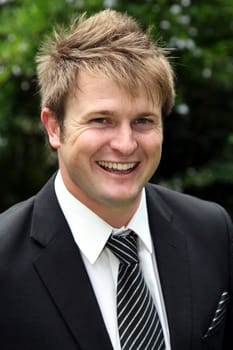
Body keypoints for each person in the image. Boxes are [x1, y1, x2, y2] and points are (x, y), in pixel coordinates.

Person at [0, 9, 232, 350]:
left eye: (143, 121)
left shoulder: (212, 231)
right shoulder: (4, 261)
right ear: (53, 127)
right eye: (101, 120)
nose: (125, 144)